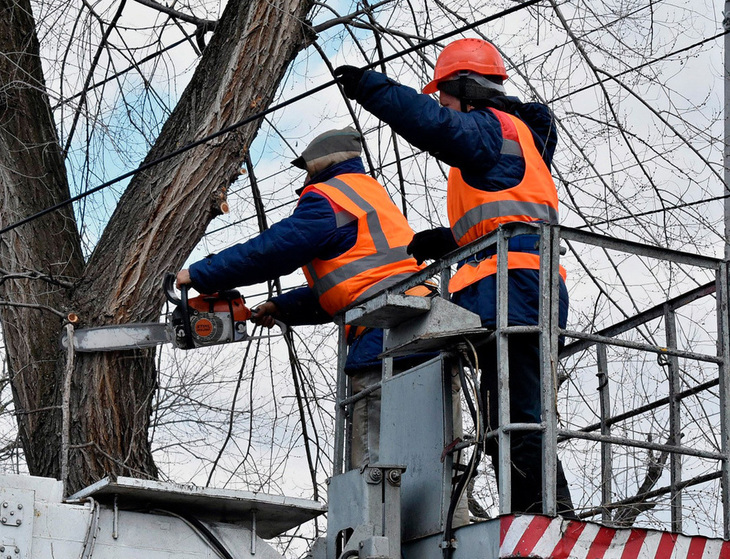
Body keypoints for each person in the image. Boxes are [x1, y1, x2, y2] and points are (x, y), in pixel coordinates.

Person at [334, 38, 577, 517]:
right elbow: (503, 218)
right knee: (502, 422)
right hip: (505, 291)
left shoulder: (494, 130)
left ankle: (549, 516)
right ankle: (534, 512)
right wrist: (450, 240)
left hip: (519, 288)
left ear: (467, 89)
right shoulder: (504, 144)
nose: (443, 106)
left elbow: (436, 126)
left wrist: (372, 87)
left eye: (445, 95)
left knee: (520, 416)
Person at [176, 127, 432, 470]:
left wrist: (200, 274)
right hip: (426, 325)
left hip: (384, 335)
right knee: (435, 458)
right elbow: (355, 283)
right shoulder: (370, 195)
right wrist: (282, 307)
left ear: (318, 163)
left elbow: (274, 250)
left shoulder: (329, 197)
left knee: (377, 468)